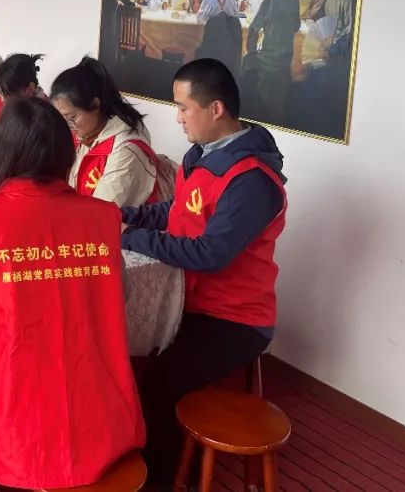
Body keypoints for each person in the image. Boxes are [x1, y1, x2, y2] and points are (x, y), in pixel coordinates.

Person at [0, 98, 145, 490]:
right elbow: (122, 294)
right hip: (97, 412)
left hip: (9, 409)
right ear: (65, 152)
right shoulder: (102, 217)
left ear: (3, 155)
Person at [120, 59, 287, 488]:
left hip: (234, 318)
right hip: (190, 298)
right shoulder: (203, 155)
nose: (177, 117)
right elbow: (176, 212)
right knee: (131, 352)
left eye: (182, 107)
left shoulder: (252, 179)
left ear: (215, 109)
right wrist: (124, 216)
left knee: (161, 380)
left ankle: (167, 478)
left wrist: (130, 238)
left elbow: (211, 254)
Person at [51, 57, 160, 207]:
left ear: (95, 105)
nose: (67, 126)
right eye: (61, 118)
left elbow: (100, 213)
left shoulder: (126, 151)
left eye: (71, 118)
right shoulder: (89, 131)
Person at [243, 0, 302, 124]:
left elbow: (253, 29)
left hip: (267, 61)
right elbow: (296, 26)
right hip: (284, 62)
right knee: (279, 107)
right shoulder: (294, 0)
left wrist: (252, 52)